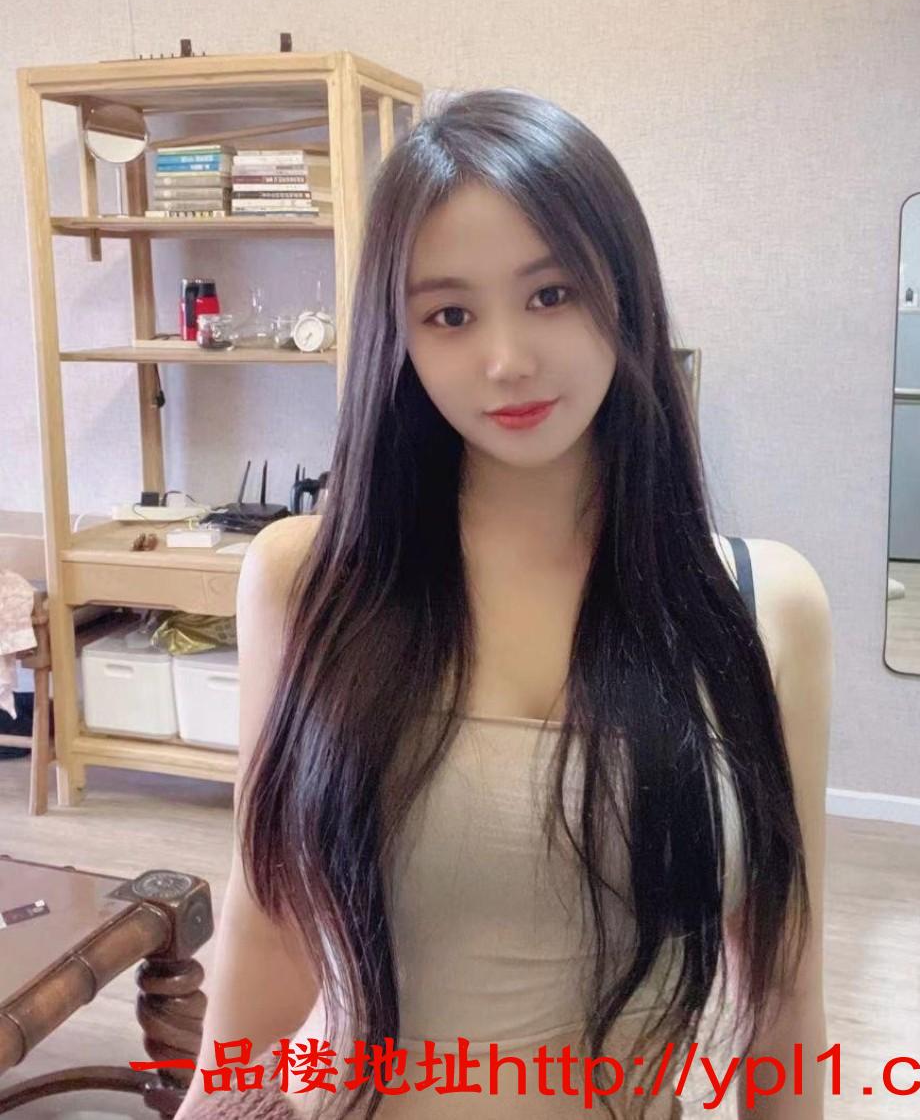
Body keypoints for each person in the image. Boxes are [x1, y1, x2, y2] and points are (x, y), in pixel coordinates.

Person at [176, 89, 832, 1120]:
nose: (506, 360)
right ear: (399, 339)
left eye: (551, 293)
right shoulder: (308, 580)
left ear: (625, 292)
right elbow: (267, 922)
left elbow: (783, 985)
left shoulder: (761, 608)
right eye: (449, 314)